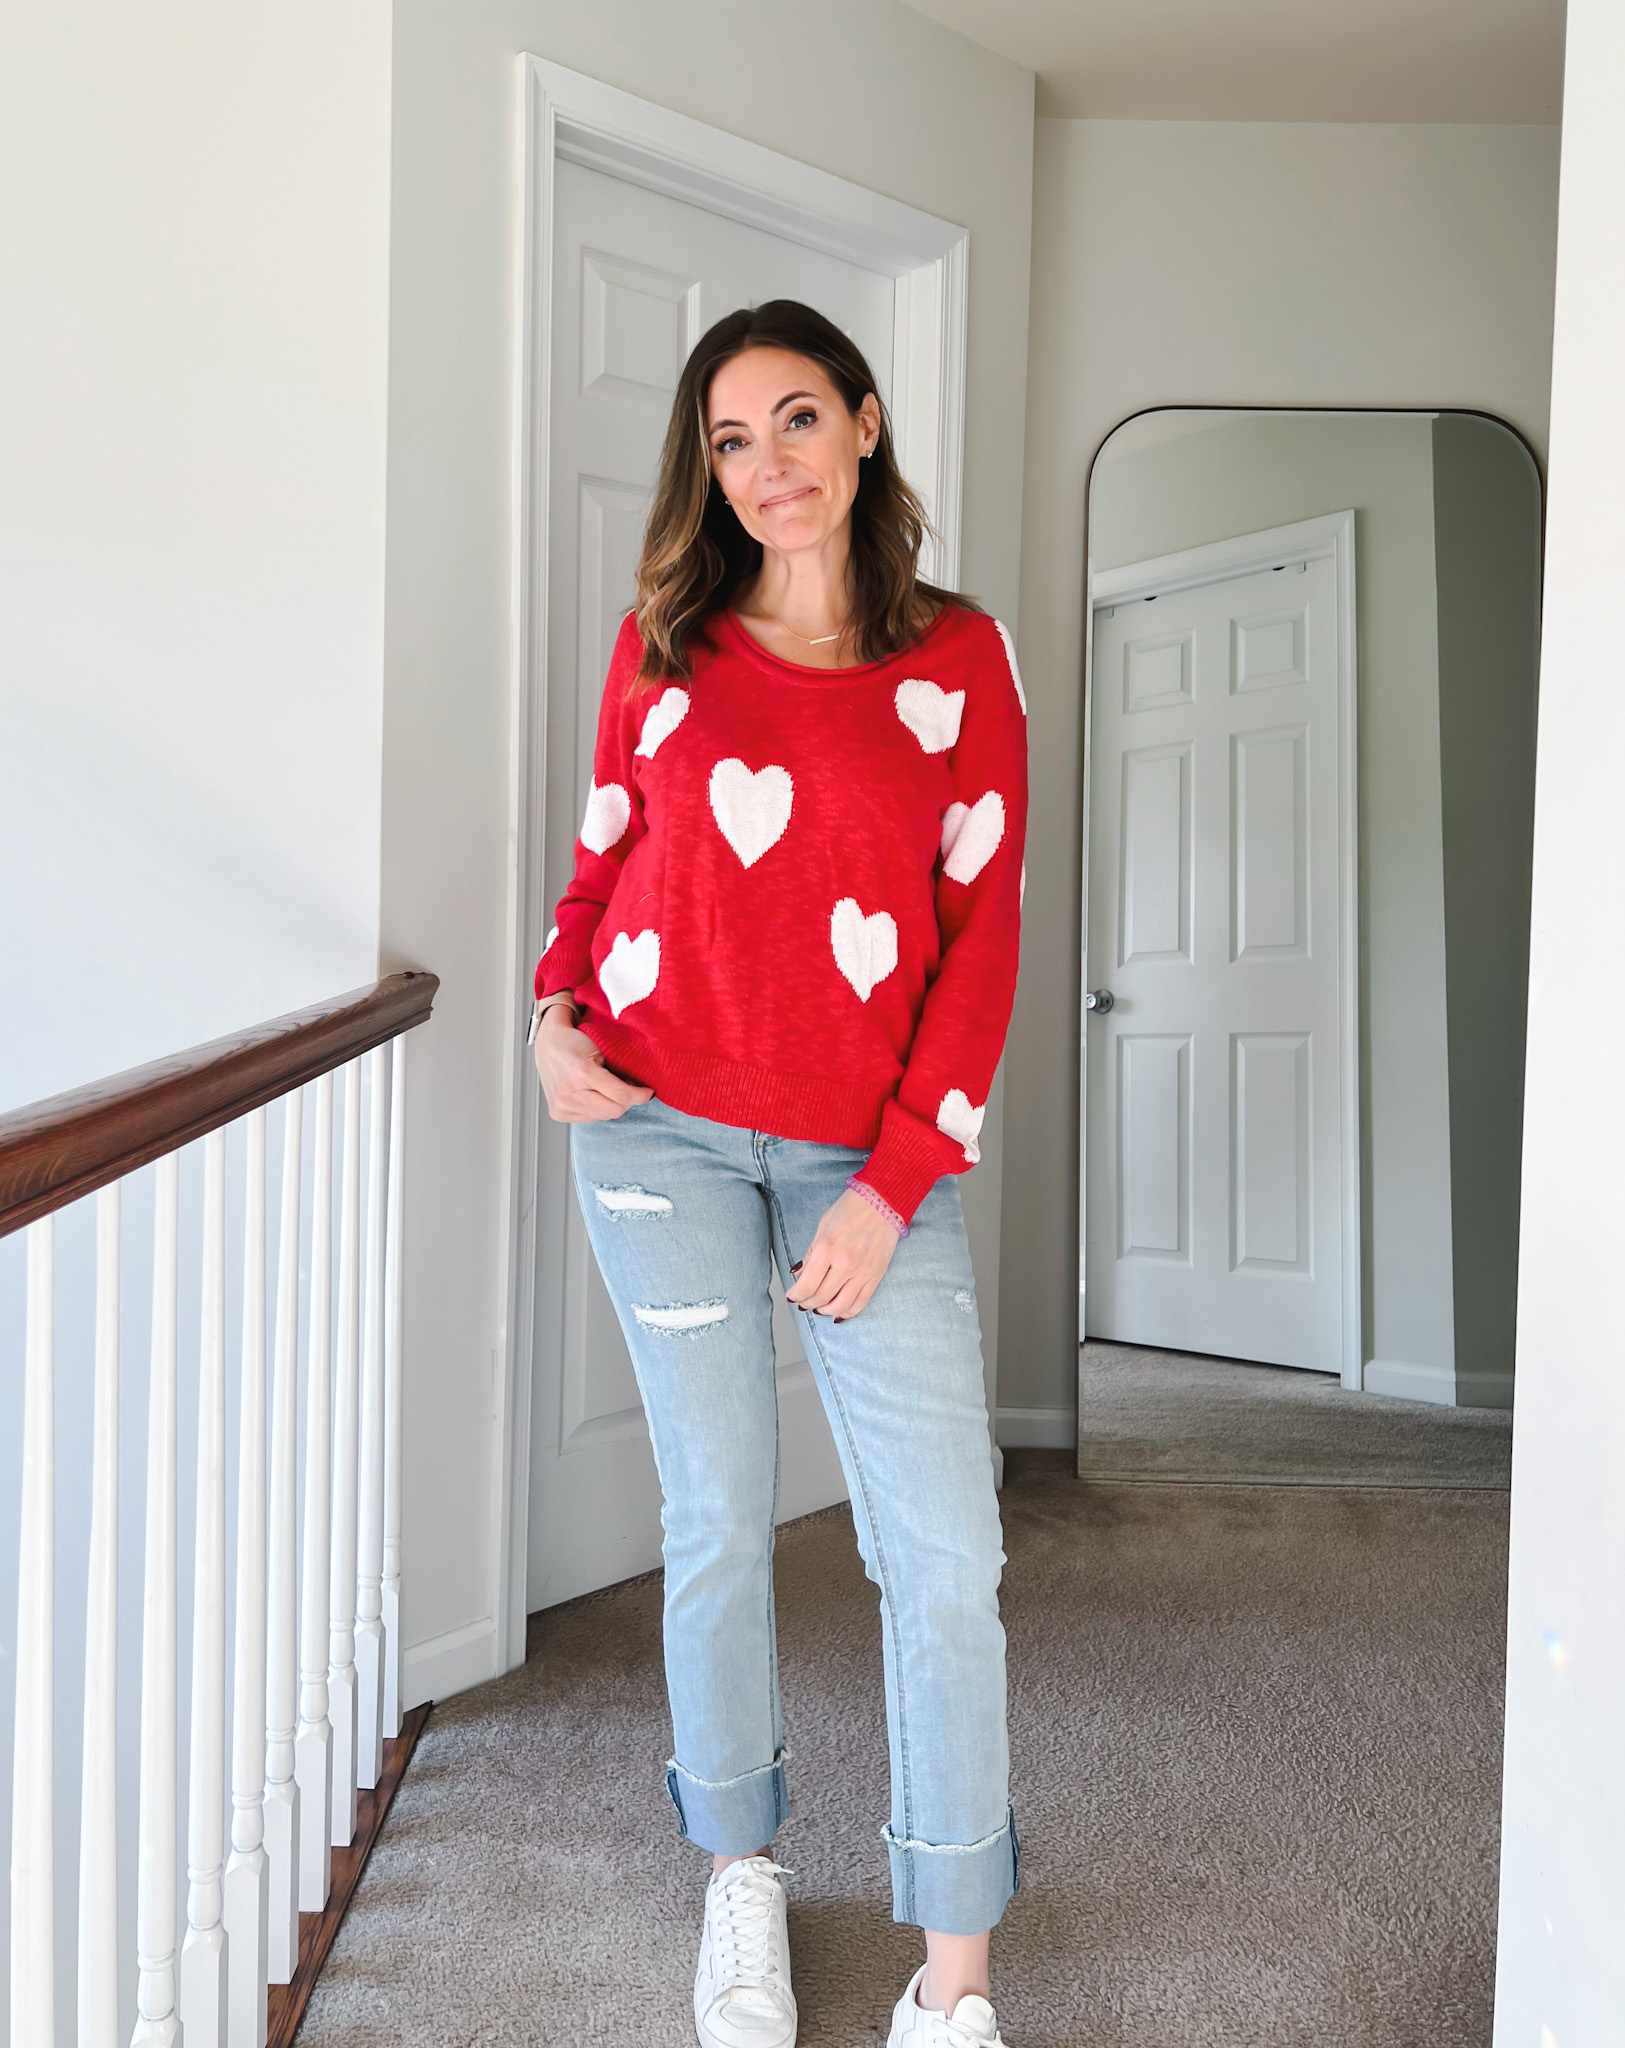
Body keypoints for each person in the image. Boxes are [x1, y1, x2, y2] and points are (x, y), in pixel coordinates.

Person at [531, 297, 1029, 2048]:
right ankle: (738, 1874)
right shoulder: (661, 641)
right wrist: (549, 1010)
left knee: (942, 1557)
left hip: (865, 1159)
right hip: (649, 1129)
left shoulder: (958, 660)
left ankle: (951, 1982)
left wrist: (892, 1186)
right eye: (730, 441)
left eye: (797, 419)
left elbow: (978, 938)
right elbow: (603, 858)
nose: (767, 467)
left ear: (866, 424)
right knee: (718, 1520)